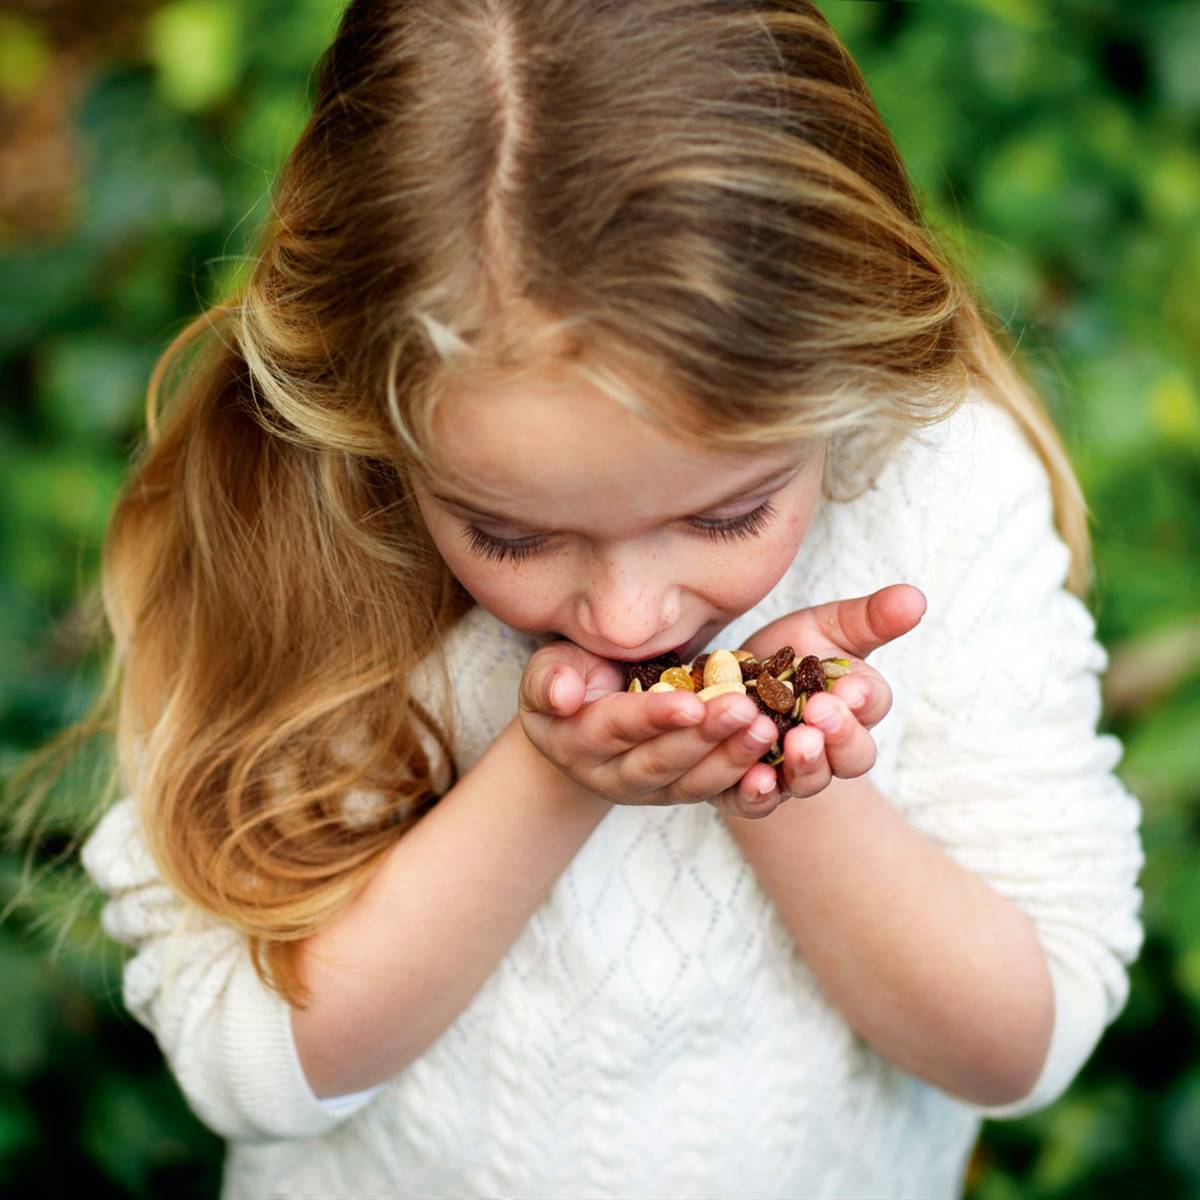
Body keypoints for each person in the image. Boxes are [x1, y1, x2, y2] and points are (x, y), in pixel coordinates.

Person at [18, 1, 1144, 1196]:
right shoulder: (311, 528)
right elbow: (250, 1072)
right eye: (509, 533)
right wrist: (548, 777)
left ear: (845, 379)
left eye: (724, 517)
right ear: (371, 422)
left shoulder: (936, 490)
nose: (627, 619)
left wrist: (778, 766)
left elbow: (1022, 1047)